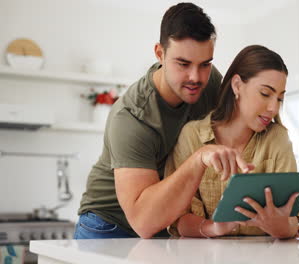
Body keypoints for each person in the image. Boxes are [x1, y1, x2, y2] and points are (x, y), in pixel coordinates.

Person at [74, 2, 252, 239]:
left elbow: (241, 129)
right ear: (160, 53)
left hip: (166, 221)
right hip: (110, 223)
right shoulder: (131, 116)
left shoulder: (208, 83)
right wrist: (200, 157)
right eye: (183, 64)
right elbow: (143, 222)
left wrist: (278, 223)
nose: (195, 77)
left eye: (205, 64)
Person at [165, 45, 299, 238]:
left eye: (279, 98)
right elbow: (180, 219)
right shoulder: (192, 136)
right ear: (237, 85)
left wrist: (280, 228)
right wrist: (215, 227)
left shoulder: (277, 139)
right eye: (265, 94)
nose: (273, 108)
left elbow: (292, 222)